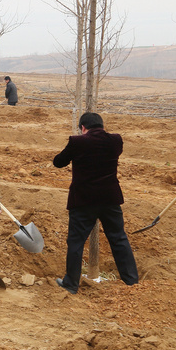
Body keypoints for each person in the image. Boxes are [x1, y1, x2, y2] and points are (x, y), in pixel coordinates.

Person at [52, 112, 138, 293]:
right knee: (119, 238)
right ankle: (131, 281)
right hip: (110, 198)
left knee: (76, 242)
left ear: (83, 128)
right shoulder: (116, 141)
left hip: (83, 200)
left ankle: (71, 284)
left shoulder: (78, 142)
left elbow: (58, 163)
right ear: (102, 125)